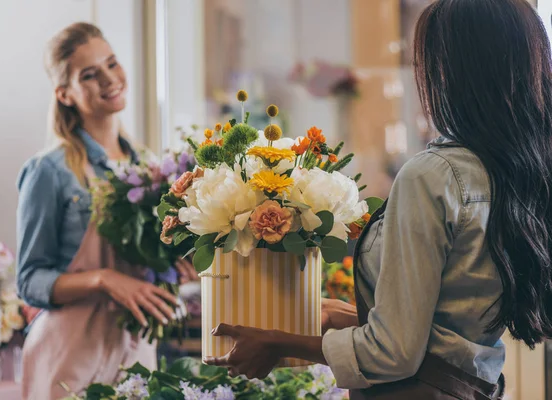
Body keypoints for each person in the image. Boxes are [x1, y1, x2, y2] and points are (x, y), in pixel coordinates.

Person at [204, 0, 552, 398]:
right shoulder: (517, 169)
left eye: (424, 60)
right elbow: (451, 324)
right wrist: (349, 316)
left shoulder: (432, 176)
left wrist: (277, 343)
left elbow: (394, 354)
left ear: (453, 70)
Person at [16, 22, 185, 399]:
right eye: (90, 75)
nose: (110, 79)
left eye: (112, 64)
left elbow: (149, 265)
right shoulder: (50, 171)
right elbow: (29, 281)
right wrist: (104, 279)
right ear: (65, 93)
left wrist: (174, 267)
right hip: (68, 357)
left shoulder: (149, 167)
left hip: (135, 355)